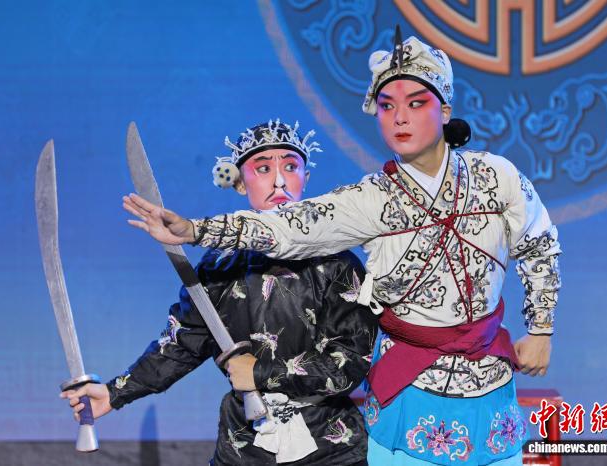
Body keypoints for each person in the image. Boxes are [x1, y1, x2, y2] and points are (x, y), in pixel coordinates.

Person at [123, 33, 561, 466]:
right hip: (408, 385)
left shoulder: (497, 175)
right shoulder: (371, 198)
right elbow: (290, 226)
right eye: (386, 106)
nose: (400, 118)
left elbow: (539, 244)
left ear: (445, 110)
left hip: (488, 374)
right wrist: (195, 230)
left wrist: (541, 328)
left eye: (416, 103)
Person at [63, 119, 378, 466]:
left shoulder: (337, 263)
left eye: (290, 167)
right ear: (240, 183)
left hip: (330, 445)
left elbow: (349, 362)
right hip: (244, 443)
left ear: (305, 177)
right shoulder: (218, 267)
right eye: (263, 169)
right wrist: (113, 393)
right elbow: (182, 344)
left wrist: (259, 372)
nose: (279, 181)